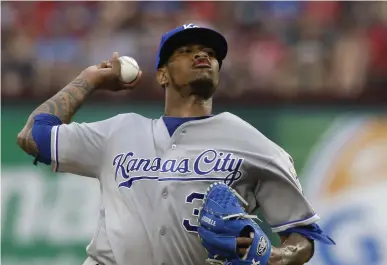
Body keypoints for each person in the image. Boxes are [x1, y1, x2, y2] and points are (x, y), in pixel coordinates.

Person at [17, 23, 334, 265]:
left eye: (210, 53)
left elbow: (302, 236)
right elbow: (33, 136)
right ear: (162, 76)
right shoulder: (118, 132)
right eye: (185, 51)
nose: (202, 56)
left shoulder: (253, 144)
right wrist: (90, 79)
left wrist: (271, 255)